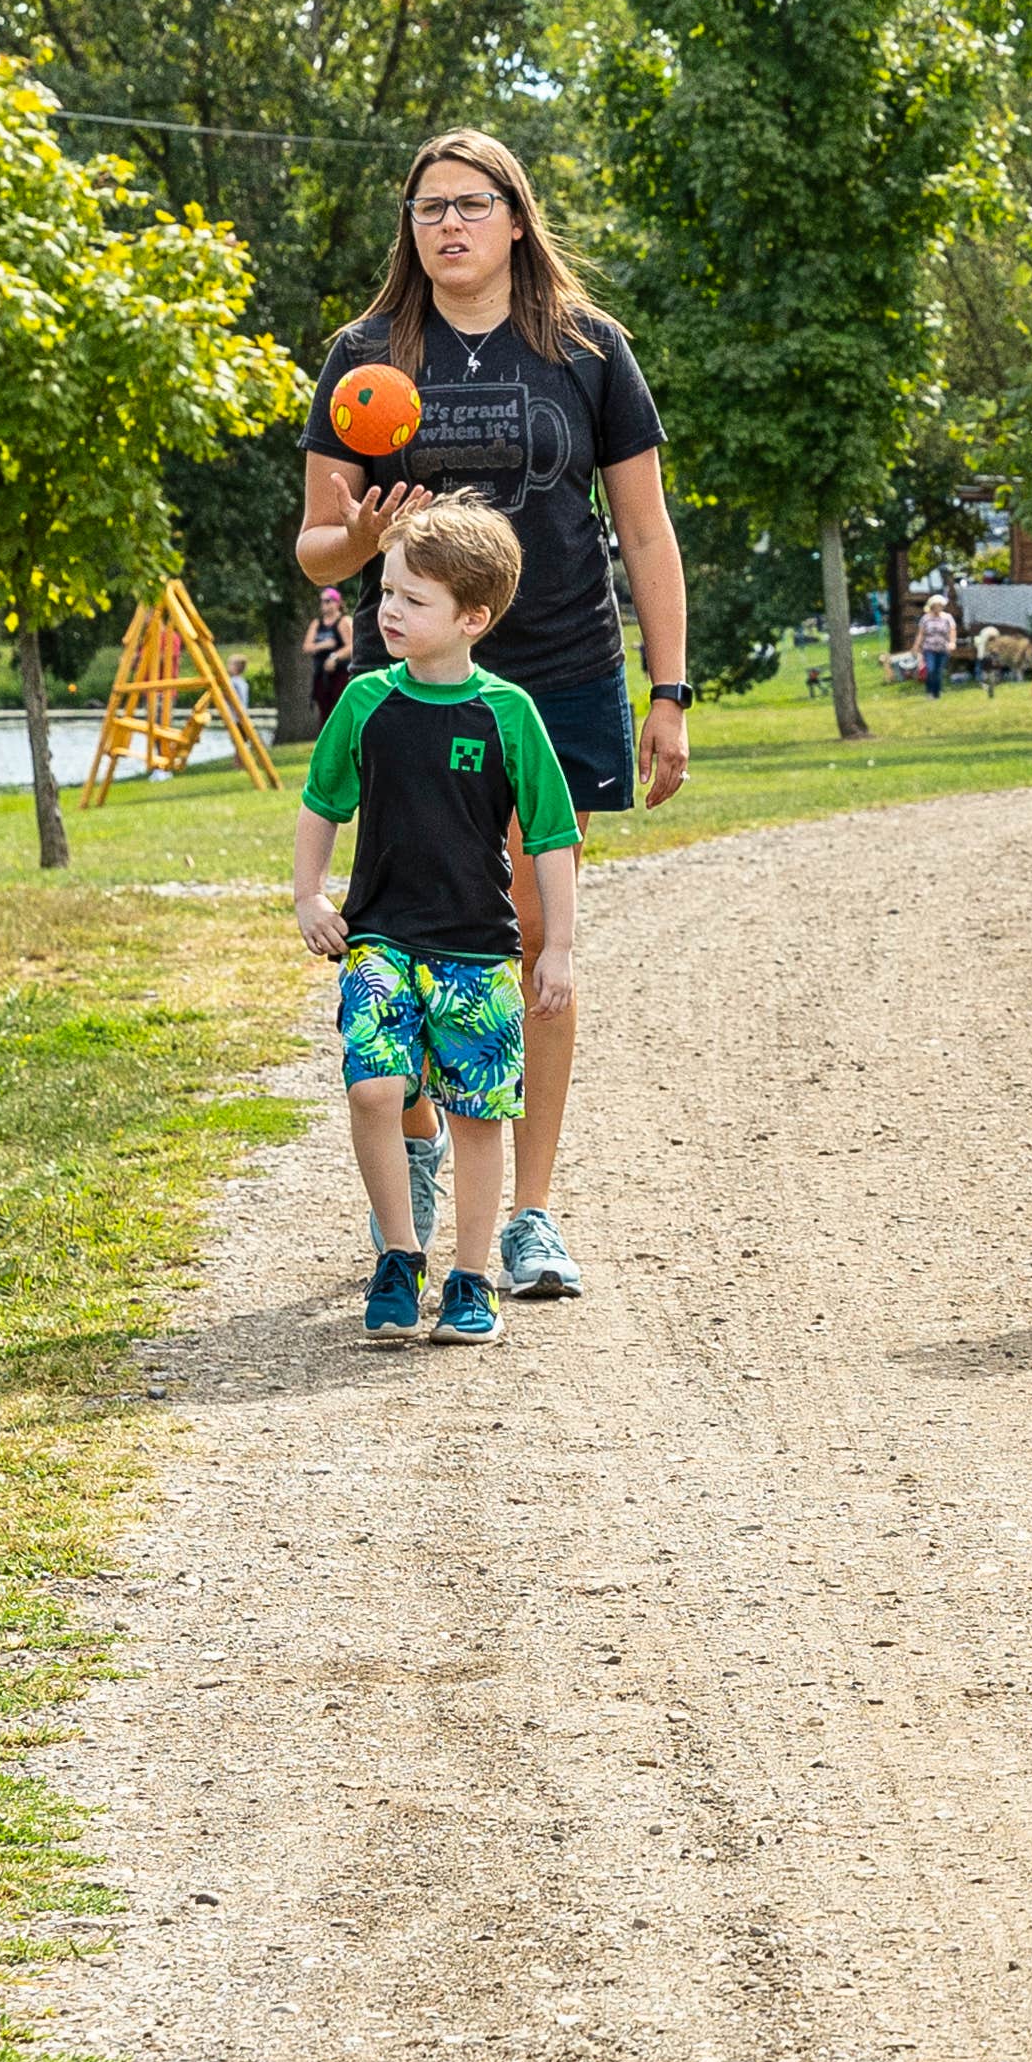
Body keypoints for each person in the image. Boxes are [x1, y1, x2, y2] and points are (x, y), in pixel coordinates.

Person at [292, 131, 690, 1305]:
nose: (448, 226)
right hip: (412, 691)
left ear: (517, 216)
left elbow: (649, 532)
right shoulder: (366, 356)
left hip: (556, 672)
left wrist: (667, 690)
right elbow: (317, 541)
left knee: (526, 940)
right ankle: (419, 1158)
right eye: (427, 209)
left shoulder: (585, 346)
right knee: (408, 927)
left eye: (471, 205)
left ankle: (530, 1211)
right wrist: (362, 540)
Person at [290, 501, 579, 1353]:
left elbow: (554, 838)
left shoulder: (509, 714)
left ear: (471, 618)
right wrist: (309, 895)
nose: (388, 612)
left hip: (479, 952)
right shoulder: (364, 701)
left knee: (478, 1115)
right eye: (386, 592)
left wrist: (555, 945)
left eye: (413, 600)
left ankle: (469, 1278)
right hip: (379, 938)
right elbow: (320, 803)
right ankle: (400, 1260)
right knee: (373, 1086)